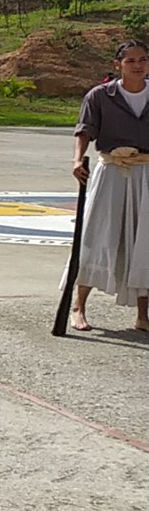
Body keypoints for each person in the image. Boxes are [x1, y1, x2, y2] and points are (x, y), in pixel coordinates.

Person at [70, 40, 149, 333]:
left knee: (144, 239)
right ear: (118, 65)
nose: (138, 65)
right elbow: (84, 130)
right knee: (98, 234)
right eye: (131, 61)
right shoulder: (101, 96)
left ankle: (142, 314)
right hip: (112, 168)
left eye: (143, 59)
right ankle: (78, 306)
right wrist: (77, 160)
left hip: (146, 170)